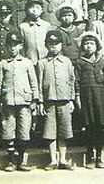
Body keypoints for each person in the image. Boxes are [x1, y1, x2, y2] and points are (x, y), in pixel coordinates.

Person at [0, 32, 38, 172]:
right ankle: (11, 161)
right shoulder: (3, 63)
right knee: (8, 130)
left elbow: (33, 82)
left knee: (24, 130)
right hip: (8, 101)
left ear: (20, 46)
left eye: (15, 45)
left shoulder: (27, 63)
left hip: (24, 101)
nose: (12, 48)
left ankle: (22, 161)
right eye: (10, 45)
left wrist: (35, 99)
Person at [36, 30, 75, 171]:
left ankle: (63, 159)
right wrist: (40, 101)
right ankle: (53, 160)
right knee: (50, 131)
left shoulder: (66, 61)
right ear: (46, 45)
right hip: (49, 100)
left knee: (64, 131)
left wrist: (71, 99)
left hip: (64, 100)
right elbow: (39, 83)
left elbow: (71, 80)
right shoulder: (42, 63)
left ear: (61, 45)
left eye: (56, 44)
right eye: (50, 44)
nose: (54, 47)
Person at [74, 32, 104, 169]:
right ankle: (90, 155)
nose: (89, 46)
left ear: (96, 46)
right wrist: (77, 96)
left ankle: (99, 157)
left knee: (100, 126)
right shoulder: (80, 62)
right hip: (86, 96)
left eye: (92, 44)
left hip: (100, 96)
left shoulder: (102, 61)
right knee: (89, 126)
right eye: (86, 44)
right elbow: (76, 81)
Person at [19, 0, 53, 65]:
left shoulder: (47, 25)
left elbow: (51, 43)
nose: (34, 10)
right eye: (31, 7)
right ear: (27, 10)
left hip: (46, 60)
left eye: (37, 7)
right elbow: (21, 45)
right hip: (30, 61)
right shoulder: (23, 26)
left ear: (42, 10)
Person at [0, 0, 20, 66]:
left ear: (10, 14)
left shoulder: (14, 30)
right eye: (0, 14)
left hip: (10, 64)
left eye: (6, 15)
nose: (3, 17)